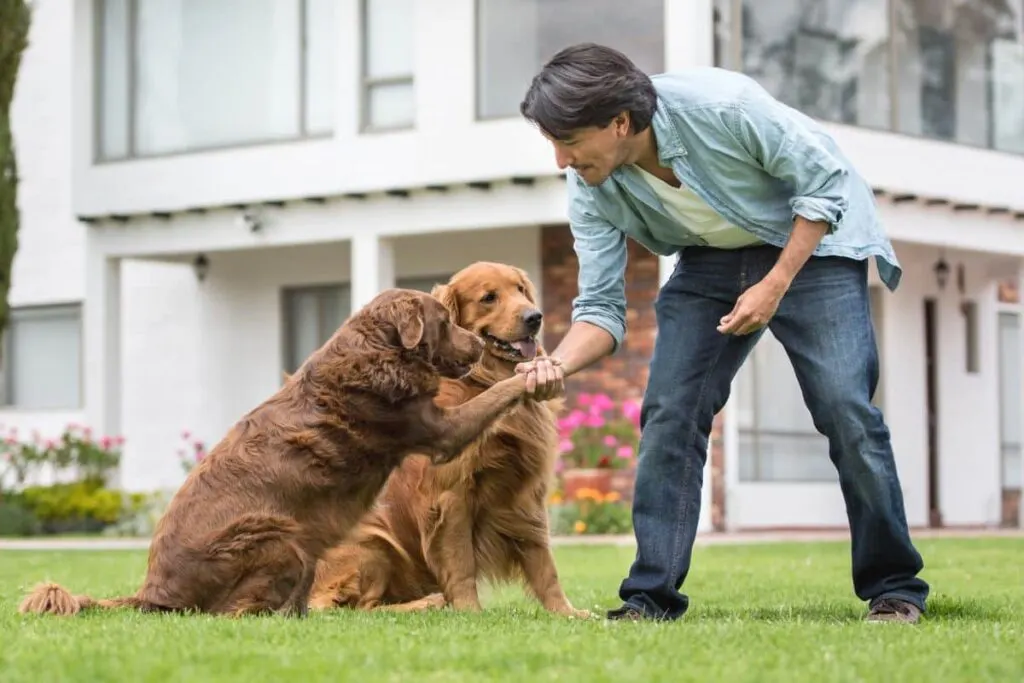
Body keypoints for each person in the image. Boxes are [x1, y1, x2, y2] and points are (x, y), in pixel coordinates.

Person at [514, 43, 929, 624]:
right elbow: (602, 308)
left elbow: (825, 181)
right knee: (670, 412)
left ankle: (896, 588)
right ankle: (649, 599)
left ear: (620, 123)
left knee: (845, 408)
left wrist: (776, 283)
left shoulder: (723, 106)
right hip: (711, 261)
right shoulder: (591, 186)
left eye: (569, 141)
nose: (560, 159)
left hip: (813, 245)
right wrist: (554, 364)